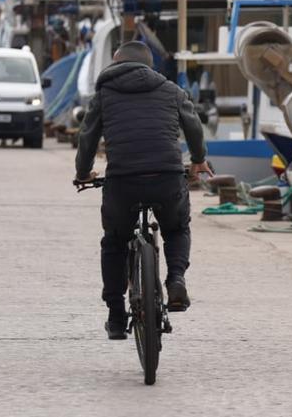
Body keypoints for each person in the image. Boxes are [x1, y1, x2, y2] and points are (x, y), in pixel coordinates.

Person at [74, 41, 213, 340]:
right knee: (176, 229)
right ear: (148, 65)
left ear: (115, 64)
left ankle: (114, 316)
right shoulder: (171, 90)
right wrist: (199, 160)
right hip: (167, 178)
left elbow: (87, 138)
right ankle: (175, 280)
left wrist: (83, 173)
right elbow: (193, 126)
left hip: (123, 182)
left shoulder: (104, 95)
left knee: (114, 243)